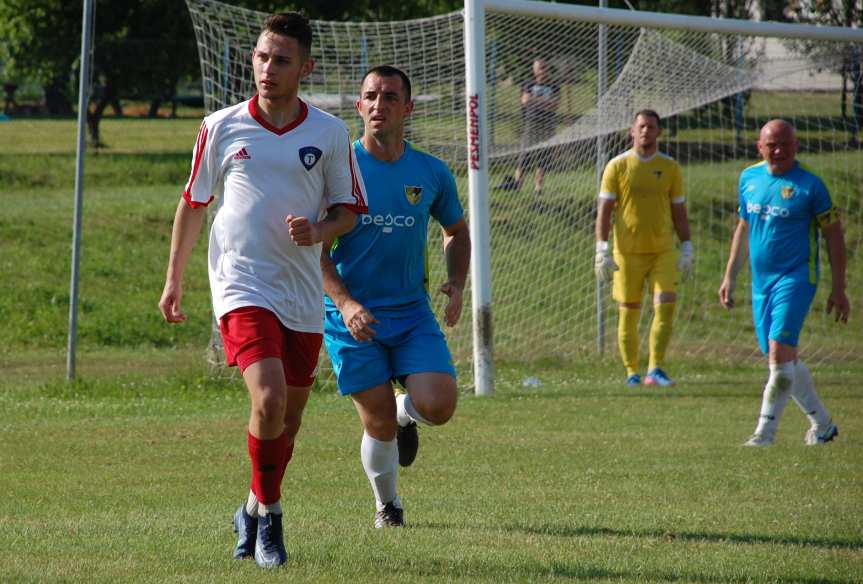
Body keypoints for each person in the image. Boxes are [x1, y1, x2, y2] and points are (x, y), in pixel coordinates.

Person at [158, 12, 367, 569]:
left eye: (279, 59)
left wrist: (319, 231)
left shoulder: (328, 133)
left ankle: (250, 507)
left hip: (299, 292)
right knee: (269, 399)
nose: (266, 68)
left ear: (305, 67)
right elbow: (194, 202)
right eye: (260, 56)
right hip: (240, 284)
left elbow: (349, 211)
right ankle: (272, 519)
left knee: (287, 421)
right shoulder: (221, 124)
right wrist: (174, 279)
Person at [321, 65, 470, 528]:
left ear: (407, 108)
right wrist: (346, 304)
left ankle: (408, 413)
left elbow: (456, 232)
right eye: (371, 96)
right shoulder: (337, 170)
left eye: (389, 96)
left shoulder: (430, 171)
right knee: (377, 420)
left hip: (410, 313)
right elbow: (315, 250)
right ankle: (388, 505)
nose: (379, 104)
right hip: (352, 317)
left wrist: (457, 282)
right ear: (358, 107)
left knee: (439, 405)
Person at [719, 119, 849, 447]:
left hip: (796, 278)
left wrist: (839, 287)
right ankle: (822, 425)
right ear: (759, 147)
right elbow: (744, 227)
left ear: (797, 147)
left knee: (779, 352)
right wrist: (729, 276)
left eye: (785, 145)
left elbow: (834, 236)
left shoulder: (811, 186)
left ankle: (764, 433)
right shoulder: (748, 178)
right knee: (783, 359)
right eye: (772, 145)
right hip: (761, 283)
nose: (778, 151)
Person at [594, 109, 694, 386]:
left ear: (659, 131)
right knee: (629, 310)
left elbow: (679, 211)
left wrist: (686, 247)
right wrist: (601, 249)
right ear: (631, 130)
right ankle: (631, 372)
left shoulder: (670, 167)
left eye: (651, 127)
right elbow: (604, 211)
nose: (646, 131)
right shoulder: (617, 166)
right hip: (626, 253)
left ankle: (656, 369)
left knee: (665, 305)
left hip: (662, 250)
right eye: (641, 126)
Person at [496, 58, 560, 196]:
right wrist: (545, 102)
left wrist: (535, 101)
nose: (544, 71)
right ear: (535, 71)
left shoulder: (554, 86)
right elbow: (525, 100)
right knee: (524, 157)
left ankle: (538, 188)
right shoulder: (529, 84)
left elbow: (555, 105)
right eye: (541, 68)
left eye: (545, 67)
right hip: (531, 125)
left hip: (547, 126)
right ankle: (518, 185)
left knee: (544, 158)